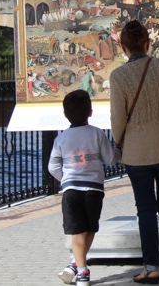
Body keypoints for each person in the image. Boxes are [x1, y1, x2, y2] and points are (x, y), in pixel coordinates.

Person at [110, 20, 159, 283]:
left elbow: (118, 118)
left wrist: (118, 140)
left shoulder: (118, 76)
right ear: (147, 43)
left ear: (123, 47)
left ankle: (152, 267)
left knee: (145, 209)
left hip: (138, 151)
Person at [49, 90, 121, 286]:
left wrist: (66, 179)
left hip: (71, 190)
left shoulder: (61, 138)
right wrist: (118, 150)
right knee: (90, 228)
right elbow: (109, 159)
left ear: (65, 114)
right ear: (90, 112)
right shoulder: (97, 133)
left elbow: (52, 166)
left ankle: (79, 270)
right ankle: (79, 267)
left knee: (76, 231)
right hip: (94, 189)